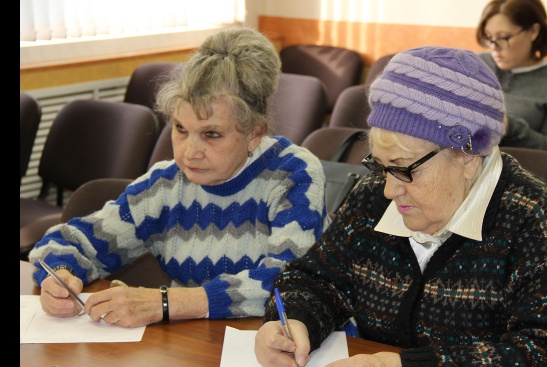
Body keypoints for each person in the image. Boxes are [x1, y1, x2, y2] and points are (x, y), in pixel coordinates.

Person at [254, 46, 547, 367]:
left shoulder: (529, 213)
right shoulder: (373, 195)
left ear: (467, 157)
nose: (389, 189)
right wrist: (295, 320)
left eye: (404, 169)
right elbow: (316, 279)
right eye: (380, 165)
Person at [28, 26, 328, 328]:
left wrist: (166, 302)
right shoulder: (167, 184)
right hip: (195, 345)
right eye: (181, 129)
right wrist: (60, 275)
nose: (190, 152)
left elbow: (287, 283)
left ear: (254, 133)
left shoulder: (295, 174)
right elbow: (66, 243)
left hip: (278, 346)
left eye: (211, 134)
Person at [476, 0, 547, 153]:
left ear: (533, 32)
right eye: (489, 37)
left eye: (504, 37)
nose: (494, 47)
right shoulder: (476, 65)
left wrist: (510, 127)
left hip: (514, 165)